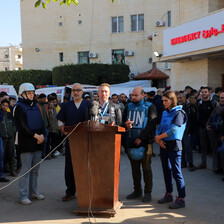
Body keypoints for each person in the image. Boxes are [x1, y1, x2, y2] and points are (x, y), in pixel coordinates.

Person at [57, 83, 92, 201]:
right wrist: (62, 128)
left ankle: (86, 192)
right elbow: (60, 120)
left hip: (86, 142)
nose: (76, 92)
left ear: (82, 92)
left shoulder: (89, 105)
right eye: (73, 90)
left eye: (78, 90)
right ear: (71, 92)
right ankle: (70, 192)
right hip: (71, 141)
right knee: (70, 168)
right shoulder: (66, 106)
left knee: (85, 167)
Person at [123, 86, 157, 203]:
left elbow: (152, 125)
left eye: (136, 95)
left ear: (143, 95)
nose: (133, 97)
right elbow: (122, 122)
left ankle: (148, 192)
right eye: (132, 95)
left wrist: (140, 138)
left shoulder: (150, 107)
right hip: (131, 142)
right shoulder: (128, 106)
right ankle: (137, 190)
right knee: (134, 169)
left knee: (146, 168)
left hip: (145, 143)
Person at [155, 90, 187, 209]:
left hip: (174, 145)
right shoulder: (165, 113)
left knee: (176, 172)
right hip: (164, 144)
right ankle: (169, 194)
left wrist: (159, 137)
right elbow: (160, 126)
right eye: (163, 101)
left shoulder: (179, 113)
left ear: (172, 100)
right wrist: (158, 138)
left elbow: (173, 130)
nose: (164, 103)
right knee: (166, 170)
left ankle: (182, 198)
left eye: (166, 101)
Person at [14, 83, 45, 205]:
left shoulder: (36, 106)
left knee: (35, 170)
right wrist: (35, 136)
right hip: (26, 142)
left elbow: (41, 122)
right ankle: (23, 195)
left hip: (38, 142)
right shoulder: (19, 107)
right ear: (23, 94)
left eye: (33, 93)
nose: (32, 95)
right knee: (26, 170)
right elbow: (22, 126)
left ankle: (33, 192)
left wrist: (41, 136)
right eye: (29, 93)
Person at [196, 87, 217, 169]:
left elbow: (215, 116)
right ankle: (203, 163)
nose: (203, 93)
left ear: (209, 92)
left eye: (205, 92)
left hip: (211, 129)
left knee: (213, 148)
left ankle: (215, 166)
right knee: (203, 147)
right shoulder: (200, 103)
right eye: (202, 92)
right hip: (202, 128)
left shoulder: (214, 103)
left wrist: (211, 125)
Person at [177, 92, 197, 171]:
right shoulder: (177, 107)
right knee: (180, 147)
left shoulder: (190, 106)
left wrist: (193, 129)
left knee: (188, 147)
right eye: (178, 98)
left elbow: (194, 118)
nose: (179, 99)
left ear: (185, 98)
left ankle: (190, 163)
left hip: (188, 130)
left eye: (181, 98)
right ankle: (183, 162)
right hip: (179, 130)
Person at [0, 99, 17, 176]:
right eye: (3, 105)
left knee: (11, 153)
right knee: (2, 154)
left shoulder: (10, 115)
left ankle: (12, 169)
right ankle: (4, 168)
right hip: (2, 137)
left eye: (6, 106)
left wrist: (12, 132)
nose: (5, 107)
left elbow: (14, 125)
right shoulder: (0, 115)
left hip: (10, 137)